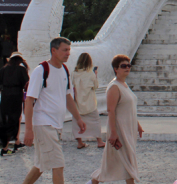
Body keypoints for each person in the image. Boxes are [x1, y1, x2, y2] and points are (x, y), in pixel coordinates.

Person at [22, 37, 86, 184]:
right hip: (44, 124)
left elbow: (68, 97)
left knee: (40, 166)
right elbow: (29, 100)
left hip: (56, 124)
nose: (68, 53)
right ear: (54, 50)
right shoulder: (41, 70)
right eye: (65, 50)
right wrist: (28, 129)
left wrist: (78, 118)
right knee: (58, 164)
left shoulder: (64, 70)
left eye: (69, 50)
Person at [89, 54, 143, 184]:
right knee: (127, 159)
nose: (127, 68)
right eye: (123, 66)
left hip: (128, 128)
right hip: (120, 129)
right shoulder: (114, 86)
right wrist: (113, 133)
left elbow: (129, 108)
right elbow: (111, 110)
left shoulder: (124, 84)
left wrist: (137, 125)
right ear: (115, 69)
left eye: (128, 65)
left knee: (114, 162)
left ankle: (94, 181)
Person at [0, 53, 29, 155]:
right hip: (16, 95)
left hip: (6, 96)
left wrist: (1, 89)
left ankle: (16, 142)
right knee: (14, 119)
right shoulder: (21, 70)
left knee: (8, 119)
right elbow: (27, 83)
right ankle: (6, 147)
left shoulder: (4, 69)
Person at [69, 53, 104, 150]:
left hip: (78, 102)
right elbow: (95, 86)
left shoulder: (74, 73)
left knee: (76, 122)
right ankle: (99, 141)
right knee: (95, 121)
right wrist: (95, 75)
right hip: (90, 102)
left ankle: (80, 142)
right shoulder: (90, 74)